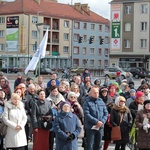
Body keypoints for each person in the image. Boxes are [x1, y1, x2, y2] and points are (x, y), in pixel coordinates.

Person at [83, 86, 108, 150]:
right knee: (90, 145)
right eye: (94, 93)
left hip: (100, 127)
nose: (96, 94)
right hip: (91, 127)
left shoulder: (101, 101)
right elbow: (87, 114)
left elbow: (106, 113)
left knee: (98, 145)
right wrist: (96, 121)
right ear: (90, 93)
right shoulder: (87, 102)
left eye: (97, 92)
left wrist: (102, 121)